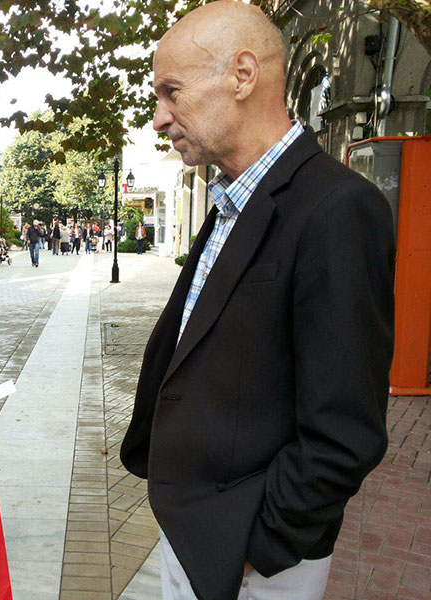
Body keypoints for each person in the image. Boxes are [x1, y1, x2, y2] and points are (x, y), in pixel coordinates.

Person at [119, 4, 394, 600]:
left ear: (243, 75)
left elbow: (344, 428)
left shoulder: (338, 208)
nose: (160, 118)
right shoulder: (230, 198)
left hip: (255, 553)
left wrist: (258, 547)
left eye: (172, 91)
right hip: (195, 528)